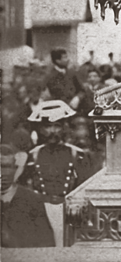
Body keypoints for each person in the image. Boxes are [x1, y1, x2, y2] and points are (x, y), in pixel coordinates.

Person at [20, 100, 94, 246]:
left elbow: (85, 187)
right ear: (41, 129)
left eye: (57, 126)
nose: (52, 131)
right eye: (48, 126)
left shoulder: (76, 154)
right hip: (41, 212)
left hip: (69, 212)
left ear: (64, 128)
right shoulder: (33, 155)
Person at [1, 144, 55, 247]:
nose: (2, 173)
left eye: (7, 167)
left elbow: (47, 244)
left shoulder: (32, 200)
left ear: (15, 168)